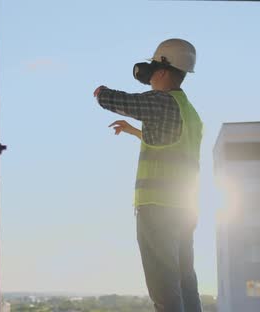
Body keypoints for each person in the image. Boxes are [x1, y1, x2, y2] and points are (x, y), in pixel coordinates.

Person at [93, 38, 203, 312]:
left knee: (164, 287)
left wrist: (100, 92)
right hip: (185, 209)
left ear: (164, 71)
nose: (150, 76)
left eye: (153, 69)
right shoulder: (188, 111)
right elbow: (169, 142)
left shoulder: (162, 102)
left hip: (158, 209)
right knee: (185, 280)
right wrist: (134, 132)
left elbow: (121, 101)